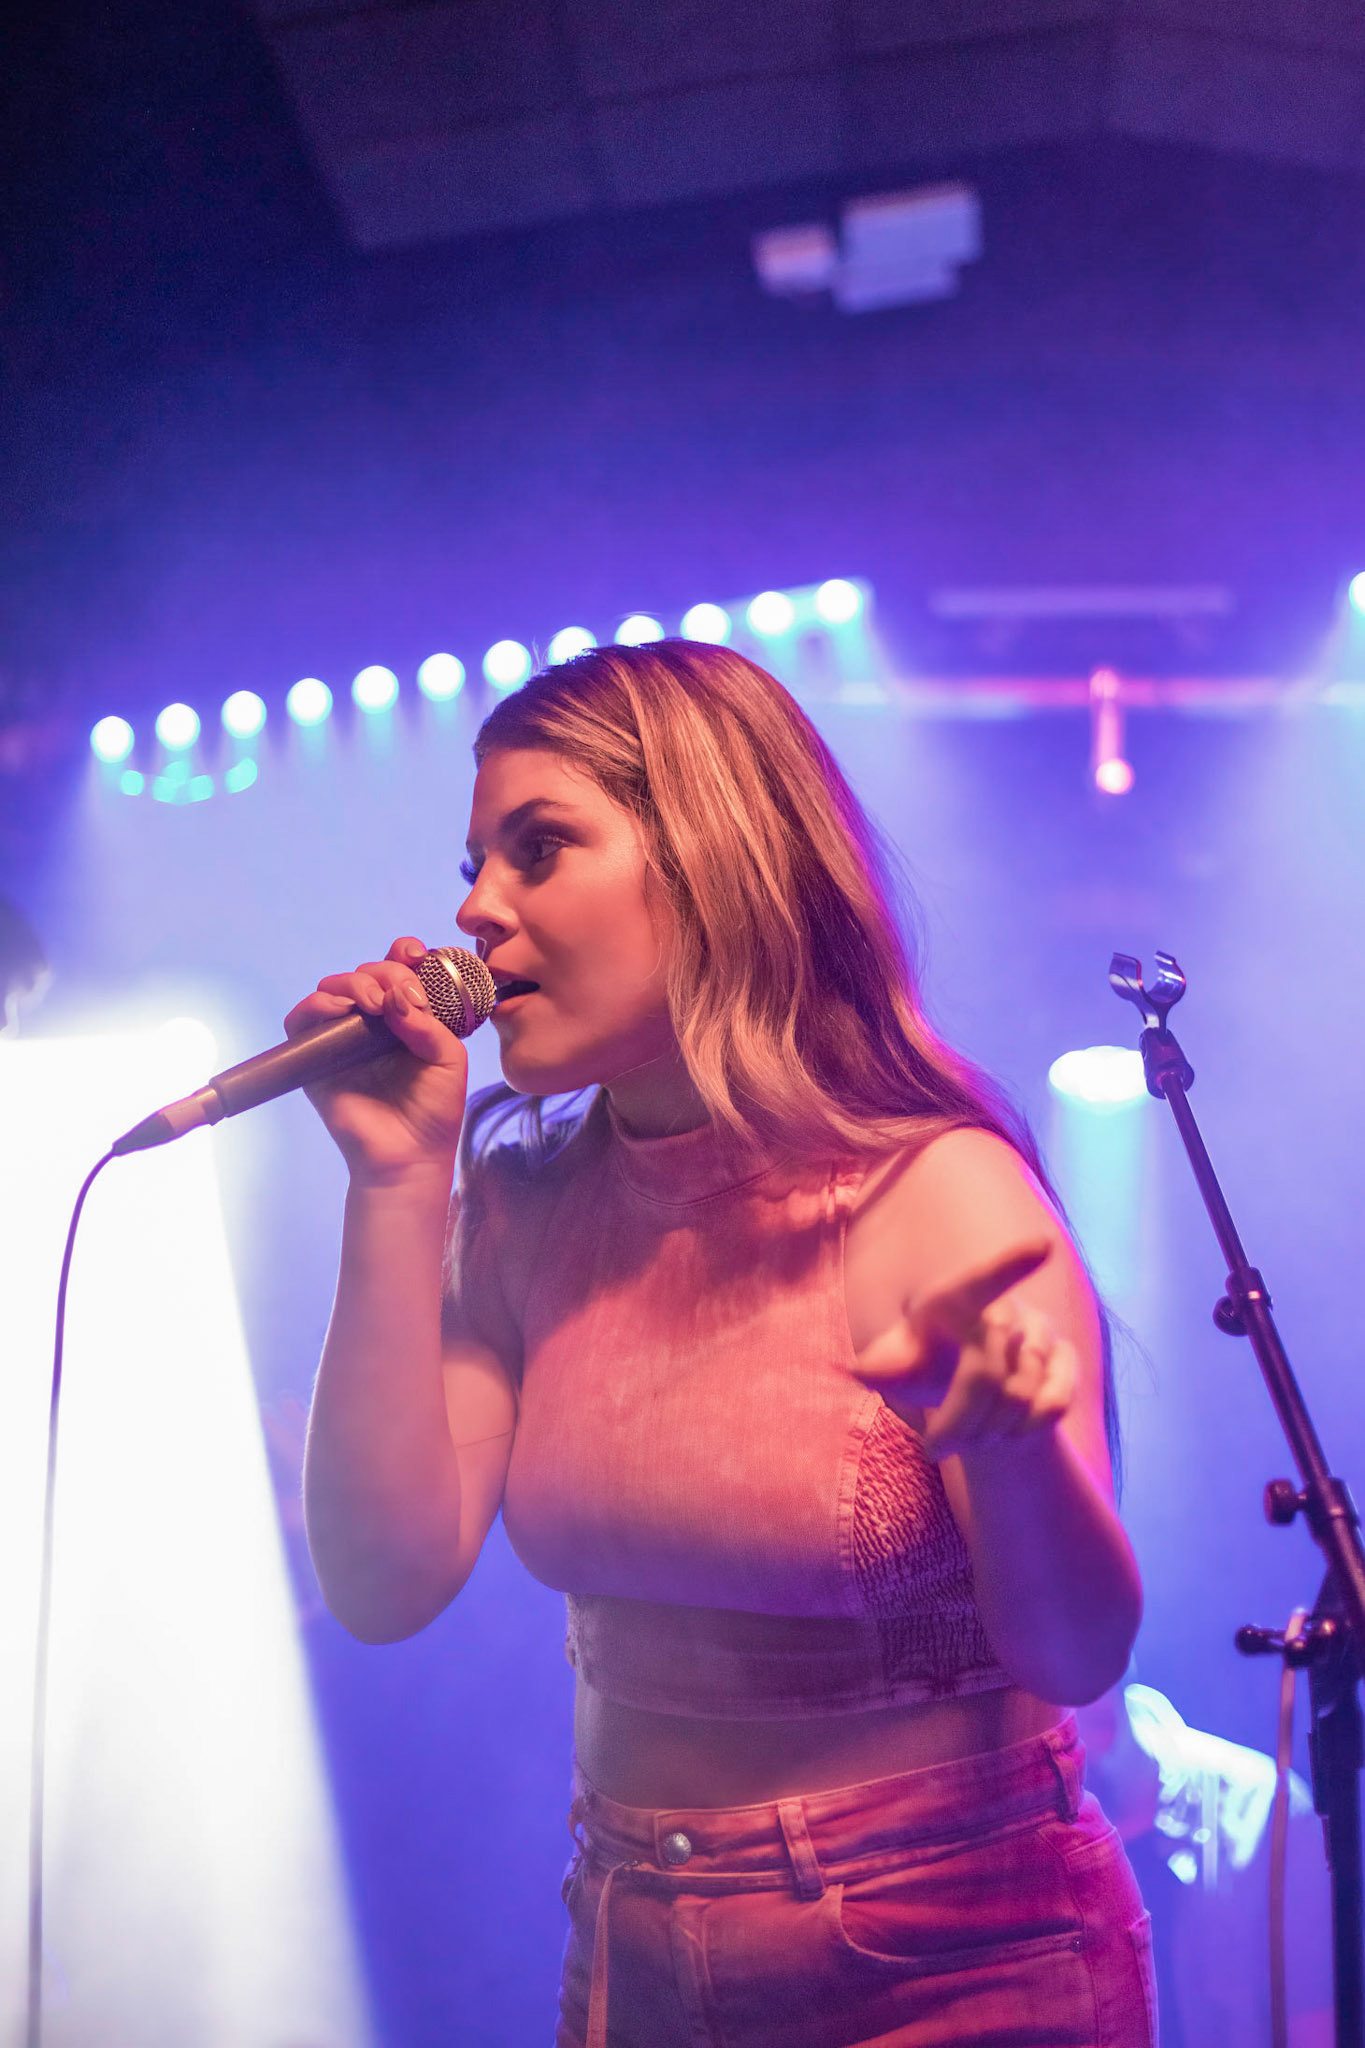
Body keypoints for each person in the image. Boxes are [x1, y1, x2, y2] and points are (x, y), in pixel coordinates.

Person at [291, 642, 1151, 2047]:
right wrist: (394, 1185)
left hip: (951, 1951)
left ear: (712, 860)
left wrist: (1011, 1455)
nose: (471, 909)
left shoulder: (930, 1187)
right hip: (633, 1943)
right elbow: (382, 1581)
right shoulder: (522, 1199)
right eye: (473, 861)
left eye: (538, 848)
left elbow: (1073, 1653)